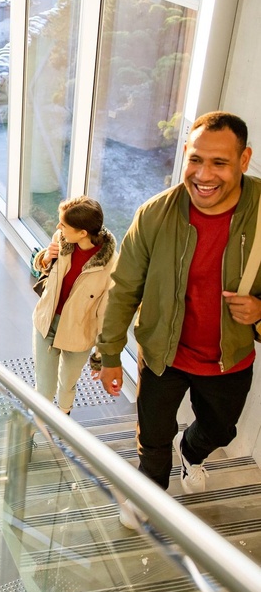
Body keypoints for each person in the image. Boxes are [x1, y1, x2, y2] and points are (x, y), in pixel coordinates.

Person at [98, 112, 261, 507]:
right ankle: (149, 498)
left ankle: (191, 453)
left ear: (244, 160)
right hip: (162, 356)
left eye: (219, 162)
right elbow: (124, 289)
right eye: (195, 159)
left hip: (230, 360)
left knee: (220, 430)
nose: (203, 174)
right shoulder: (155, 214)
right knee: (153, 439)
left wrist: (259, 311)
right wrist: (109, 355)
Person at [32, 197, 117, 414]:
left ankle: (63, 422)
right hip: (47, 322)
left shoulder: (111, 265)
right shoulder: (62, 239)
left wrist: (101, 354)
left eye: (64, 225)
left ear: (83, 233)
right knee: (43, 389)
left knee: (67, 385)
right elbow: (46, 272)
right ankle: (36, 428)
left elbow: (106, 313)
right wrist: (45, 258)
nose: (58, 227)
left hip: (79, 334)